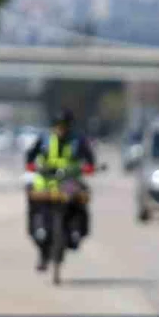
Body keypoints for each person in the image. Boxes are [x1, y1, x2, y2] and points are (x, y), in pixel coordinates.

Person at [24, 108, 96, 271]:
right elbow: (30, 156)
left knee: (81, 200)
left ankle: (76, 233)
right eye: (58, 125)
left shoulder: (78, 140)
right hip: (46, 182)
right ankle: (43, 249)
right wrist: (31, 165)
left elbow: (90, 160)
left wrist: (89, 168)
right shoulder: (44, 139)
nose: (61, 129)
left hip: (68, 183)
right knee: (34, 203)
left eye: (64, 126)